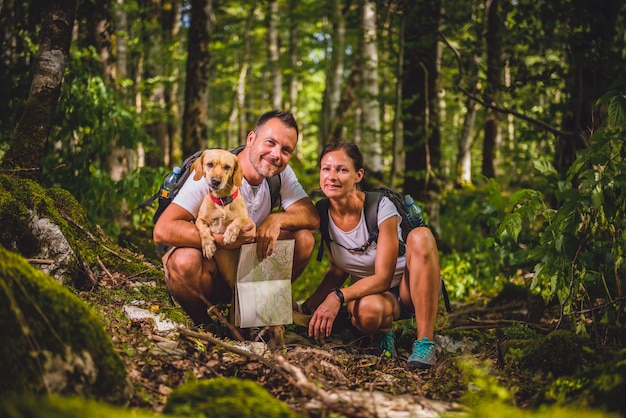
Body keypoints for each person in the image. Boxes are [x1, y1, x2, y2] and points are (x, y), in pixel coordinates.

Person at [153, 110, 320, 326]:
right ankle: (207, 326)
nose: (276, 154)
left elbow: (311, 216)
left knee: (304, 239)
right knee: (184, 261)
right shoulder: (213, 172)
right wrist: (220, 240)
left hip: (244, 267)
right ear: (251, 139)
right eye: (270, 142)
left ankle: (253, 315)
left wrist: (276, 219)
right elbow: (163, 230)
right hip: (209, 270)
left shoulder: (280, 174)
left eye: (286, 150)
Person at [300, 141, 441, 370]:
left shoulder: (380, 207)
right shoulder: (322, 213)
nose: (332, 176)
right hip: (375, 298)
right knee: (367, 312)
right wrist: (308, 307)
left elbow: (384, 277)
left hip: (409, 289)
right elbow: (339, 270)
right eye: (326, 169)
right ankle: (383, 332)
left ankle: (425, 343)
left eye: (342, 169)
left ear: (358, 175)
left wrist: (337, 297)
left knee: (421, 236)